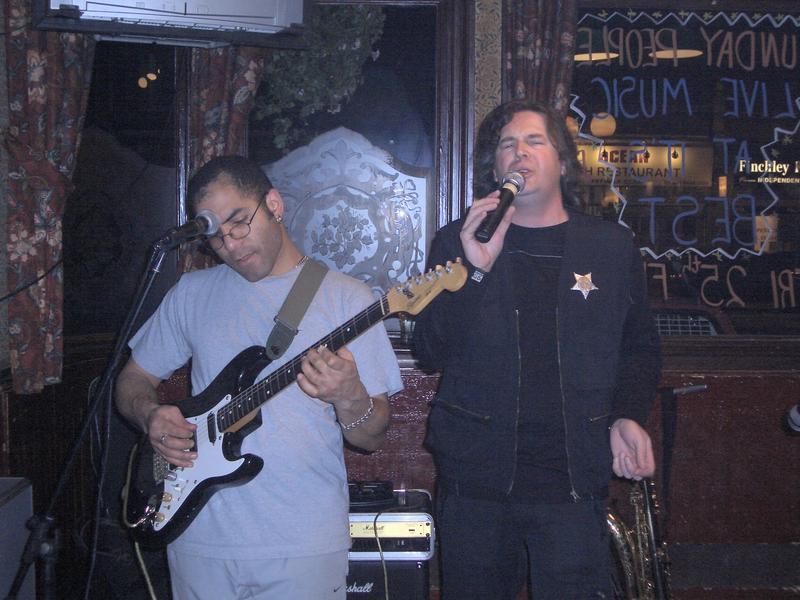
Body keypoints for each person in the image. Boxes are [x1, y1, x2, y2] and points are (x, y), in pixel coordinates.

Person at [115, 155, 403, 600]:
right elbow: (132, 379)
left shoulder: (349, 299)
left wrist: (349, 396)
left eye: (239, 222)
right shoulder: (191, 293)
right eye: (216, 235)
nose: (230, 244)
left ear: (273, 204)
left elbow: (371, 437)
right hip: (197, 537)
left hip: (303, 544)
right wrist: (149, 413)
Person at [412, 99, 662, 599]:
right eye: (507, 145)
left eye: (534, 141)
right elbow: (430, 349)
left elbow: (639, 347)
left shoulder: (610, 247)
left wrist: (627, 415)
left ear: (563, 162)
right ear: (495, 169)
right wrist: (476, 269)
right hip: (477, 480)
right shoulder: (456, 241)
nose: (519, 152)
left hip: (573, 479)